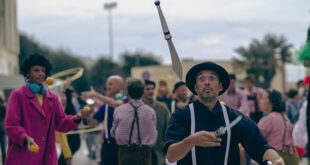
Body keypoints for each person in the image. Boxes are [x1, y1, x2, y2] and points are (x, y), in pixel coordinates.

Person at [164, 61, 284, 165]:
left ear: (220, 86)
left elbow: (260, 147)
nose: (207, 82)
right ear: (195, 87)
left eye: (212, 78)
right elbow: (171, 155)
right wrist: (191, 141)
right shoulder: (180, 116)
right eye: (201, 78)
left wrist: (276, 160)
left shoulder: (236, 118)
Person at [4, 53, 88, 165]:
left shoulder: (52, 97)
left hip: (46, 158)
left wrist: (76, 118)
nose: (41, 73)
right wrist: (25, 138)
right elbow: (11, 125)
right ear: (28, 73)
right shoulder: (17, 95)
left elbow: (61, 122)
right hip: (24, 156)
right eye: (36, 70)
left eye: (43, 70)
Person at [82, 75, 129, 165]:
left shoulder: (126, 100)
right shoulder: (105, 105)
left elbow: (115, 104)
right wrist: (87, 115)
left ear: (120, 85)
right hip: (108, 145)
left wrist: (95, 94)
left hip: (122, 147)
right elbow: (93, 123)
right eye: (107, 84)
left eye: (111, 84)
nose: (108, 87)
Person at [111, 78, 157, 165]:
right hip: (145, 153)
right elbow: (154, 132)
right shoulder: (150, 111)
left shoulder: (119, 110)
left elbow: (113, 132)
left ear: (127, 93)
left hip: (125, 152)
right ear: (143, 92)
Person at [258, 89, 299, 164]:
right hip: (290, 155)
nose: (260, 101)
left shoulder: (267, 120)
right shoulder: (284, 117)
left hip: (275, 158)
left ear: (271, 102)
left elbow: (256, 141)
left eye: (263, 98)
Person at [142, 80, 171, 165]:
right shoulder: (137, 109)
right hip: (141, 153)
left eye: (152, 89)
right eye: (147, 89)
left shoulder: (162, 108)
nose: (151, 91)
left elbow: (169, 129)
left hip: (159, 151)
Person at [58, 79, 81, 165]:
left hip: (73, 141)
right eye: (61, 97)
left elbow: (69, 98)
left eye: (64, 97)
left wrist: (67, 87)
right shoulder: (59, 109)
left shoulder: (69, 109)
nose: (63, 99)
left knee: (62, 162)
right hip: (66, 142)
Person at [0, 97, 6, 164]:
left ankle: (4, 163)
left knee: (3, 149)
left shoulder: (3, 107)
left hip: (2, 130)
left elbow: (7, 116)